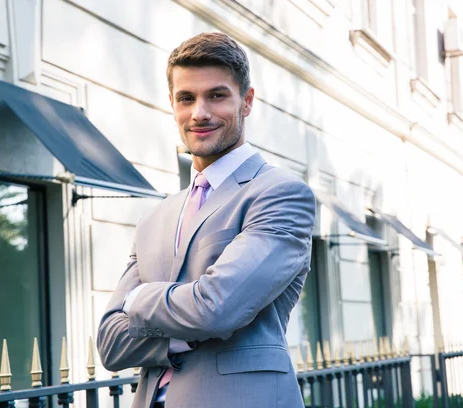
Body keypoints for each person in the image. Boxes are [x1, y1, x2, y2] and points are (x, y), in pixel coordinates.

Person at [96, 32, 315, 408]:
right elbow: (111, 344)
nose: (200, 112)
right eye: (186, 98)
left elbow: (215, 308)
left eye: (216, 95)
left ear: (246, 102)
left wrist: (138, 299)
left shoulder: (280, 194)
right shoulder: (155, 218)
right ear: (172, 104)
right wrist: (187, 315)